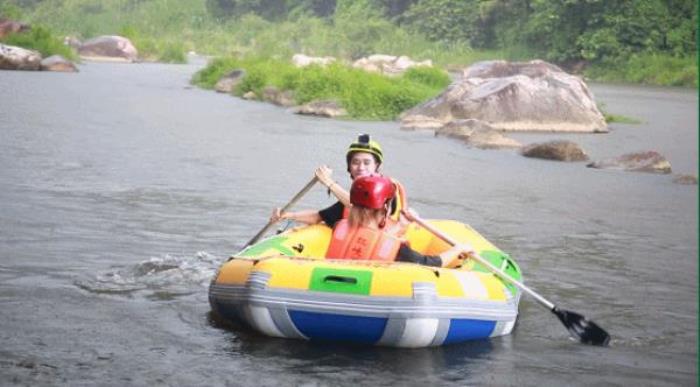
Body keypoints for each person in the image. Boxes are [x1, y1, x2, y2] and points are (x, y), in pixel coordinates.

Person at [325, 175, 471, 267]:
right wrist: (458, 249)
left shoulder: (339, 227)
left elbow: (370, 238)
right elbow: (431, 264)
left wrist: (400, 226)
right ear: (385, 209)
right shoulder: (398, 250)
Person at [270, 134, 406, 228]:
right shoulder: (353, 197)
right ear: (349, 167)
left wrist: (328, 182)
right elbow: (319, 216)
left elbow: (362, 208)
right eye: (355, 162)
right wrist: (288, 215)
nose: (360, 167)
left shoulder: (388, 189)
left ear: (376, 166)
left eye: (367, 162)